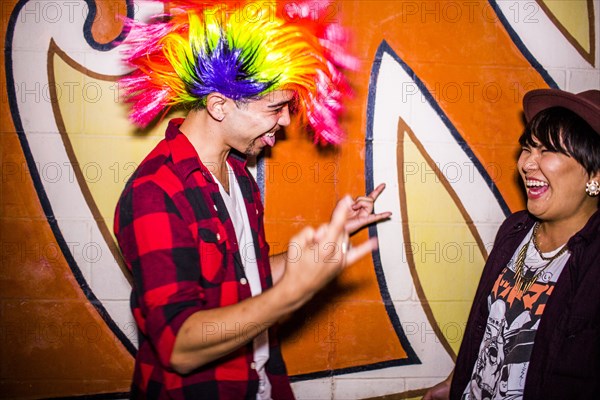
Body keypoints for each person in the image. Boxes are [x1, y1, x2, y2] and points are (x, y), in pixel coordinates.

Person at [114, 1, 390, 399]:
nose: (285, 121)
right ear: (219, 105)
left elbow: (248, 276)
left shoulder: (240, 176)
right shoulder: (155, 193)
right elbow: (179, 345)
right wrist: (291, 294)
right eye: (275, 108)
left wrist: (327, 240)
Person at [423, 88, 600, 400]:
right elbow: (487, 322)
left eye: (548, 151)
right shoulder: (514, 231)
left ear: (595, 173)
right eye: (528, 149)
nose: (527, 164)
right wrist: (456, 380)